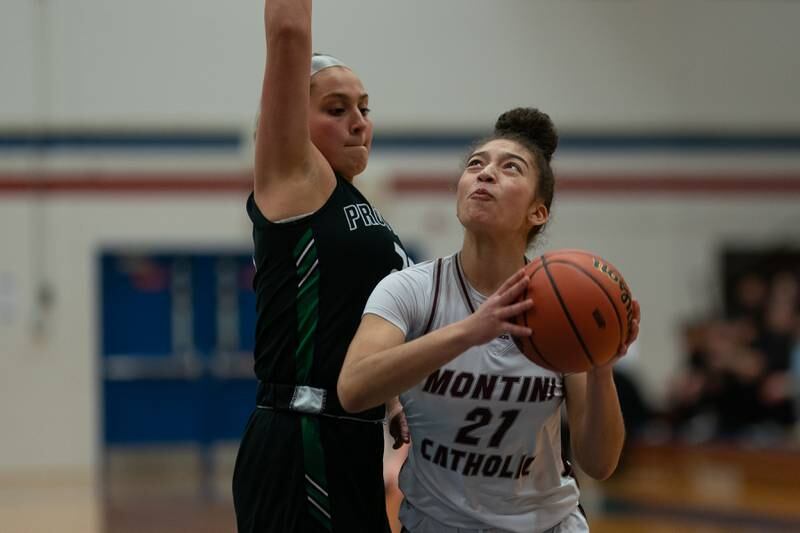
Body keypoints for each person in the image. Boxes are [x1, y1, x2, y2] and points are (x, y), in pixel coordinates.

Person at [338, 108, 641, 533]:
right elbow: (353, 388)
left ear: (538, 212)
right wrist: (467, 332)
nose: (484, 174)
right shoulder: (410, 289)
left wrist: (602, 365)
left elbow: (600, 463)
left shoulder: (563, 308)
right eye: (475, 164)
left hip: (547, 525)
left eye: (509, 168)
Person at [232, 1, 411, 532]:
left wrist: (394, 397)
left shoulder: (354, 205)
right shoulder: (296, 180)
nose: (358, 122)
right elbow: (288, 32)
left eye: (364, 108)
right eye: (336, 109)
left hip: (349, 438)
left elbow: (361, 318)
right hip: (300, 440)